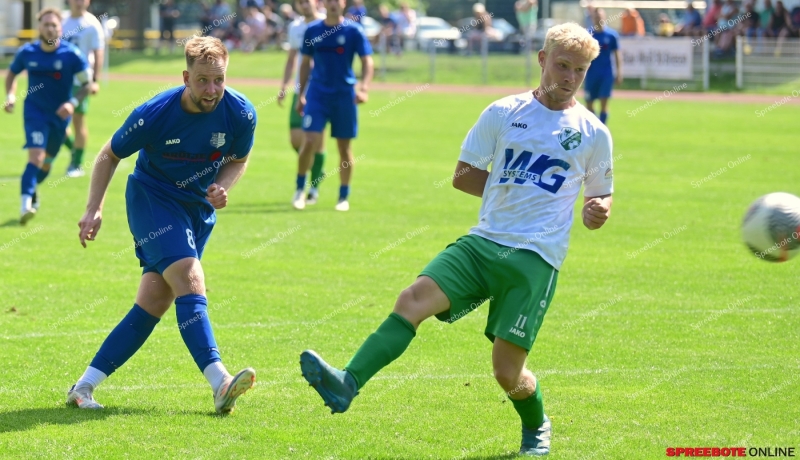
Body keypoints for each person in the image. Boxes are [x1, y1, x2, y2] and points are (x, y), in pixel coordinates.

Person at [299, 21, 613, 457]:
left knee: (506, 373)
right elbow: (463, 176)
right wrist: (512, 188)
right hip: (482, 243)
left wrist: (597, 212)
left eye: (579, 71)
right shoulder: (503, 112)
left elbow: (600, 197)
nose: (570, 78)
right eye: (562, 65)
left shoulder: (594, 133)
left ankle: (537, 425)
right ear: (542, 60)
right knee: (411, 300)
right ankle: (347, 384)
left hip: (535, 260)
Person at [67, 36, 257, 414]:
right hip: (153, 199)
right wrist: (94, 208)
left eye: (219, 79)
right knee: (190, 277)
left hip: (197, 210)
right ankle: (220, 381)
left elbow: (239, 158)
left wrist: (223, 186)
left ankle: (83, 386)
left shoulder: (240, 112)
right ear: (186, 77)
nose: (212, 89)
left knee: (155, 299)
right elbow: (109, 154)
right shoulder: (155, 112)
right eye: (203, 80)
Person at [4, 8, 90, 224]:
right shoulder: (28, 52)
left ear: (60, 29)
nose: (50, 29)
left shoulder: (72, 55)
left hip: (60, 118)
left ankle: (32, 192)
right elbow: (12, 73)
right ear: (39, 27)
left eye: (54, 25)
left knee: (46, 165)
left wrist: (72, 103)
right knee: (36, 158)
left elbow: (87, 85)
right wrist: (11, 95)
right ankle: (25, 205)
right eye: (46, 25)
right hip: (34, 113)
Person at [293, 0, 374, 211]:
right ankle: (300, 190)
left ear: (343, 3)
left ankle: (343, 196)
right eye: (329, 0)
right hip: (317, 95)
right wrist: (300, 94)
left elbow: (367, 61)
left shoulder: (353, 31)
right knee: (309, 140)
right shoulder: (313, 31)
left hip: (344, 96)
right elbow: (304, 63)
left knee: (344, 148)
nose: (333, 4)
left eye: (337, 0)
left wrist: (363, 87)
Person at [279, 0, 326, 203]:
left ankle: (313, 187)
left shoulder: (327, 24)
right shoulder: (295, 27)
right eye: (300, 2)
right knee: (296, 139)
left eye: (307, 1)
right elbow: (292, 58)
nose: (303, 5)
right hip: (299, 91)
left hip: (321, 92)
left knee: (316, 141)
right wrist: (284, 85)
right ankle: (314, 166)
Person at [61, 0, 105, 178]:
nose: (79, 2)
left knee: (78, 121)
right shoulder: (62, 20)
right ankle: (74, 149)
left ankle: (76, 164)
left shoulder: (92, 23)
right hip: (59, 79)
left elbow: (98, 52)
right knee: (56, 121)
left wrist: (94, 80)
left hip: (81, 80)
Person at [584, 8, 621, 125]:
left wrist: (619, 72)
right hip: (591, 74)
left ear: (604, 17)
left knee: (604, 103)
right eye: (596, 17)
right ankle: (593, 128)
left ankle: (602, 128)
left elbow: (617, 55)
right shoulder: (588, 34)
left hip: (606, 74)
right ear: (592, 18)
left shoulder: (611, 35)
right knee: (589, 104)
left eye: (600, 16)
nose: (598, 18)